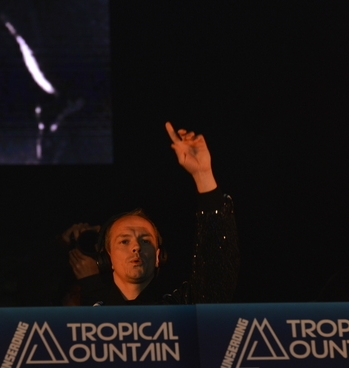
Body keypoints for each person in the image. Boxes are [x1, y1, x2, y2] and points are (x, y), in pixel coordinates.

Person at [63, 122, 238, 305]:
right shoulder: (89, 314)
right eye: (124, 241)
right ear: (108, 258)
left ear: (157, 257)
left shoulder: (180, 306)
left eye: (146, 241)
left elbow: (216, 274)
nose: (136, 247)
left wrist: (203, 174)